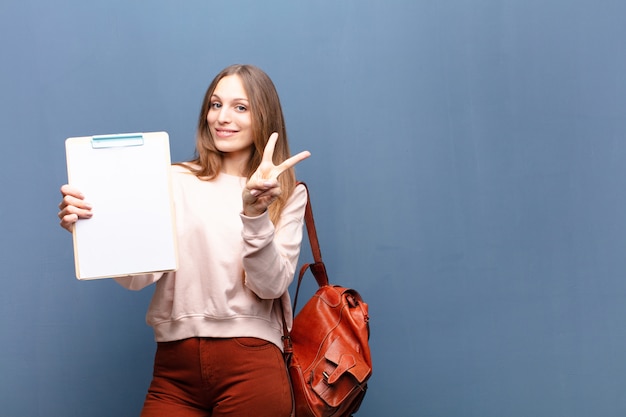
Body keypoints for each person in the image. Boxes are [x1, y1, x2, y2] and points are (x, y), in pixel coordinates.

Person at [58, 64, 311, 417]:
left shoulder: (287, 193)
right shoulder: (173, 179)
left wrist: (254, 214)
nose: (222, 117)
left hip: (251, 366)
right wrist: (91, 229)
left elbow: (269, 286)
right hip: (174, 370)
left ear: (264, 117)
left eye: (240, 107)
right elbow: (137, 277)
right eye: (215, 104)